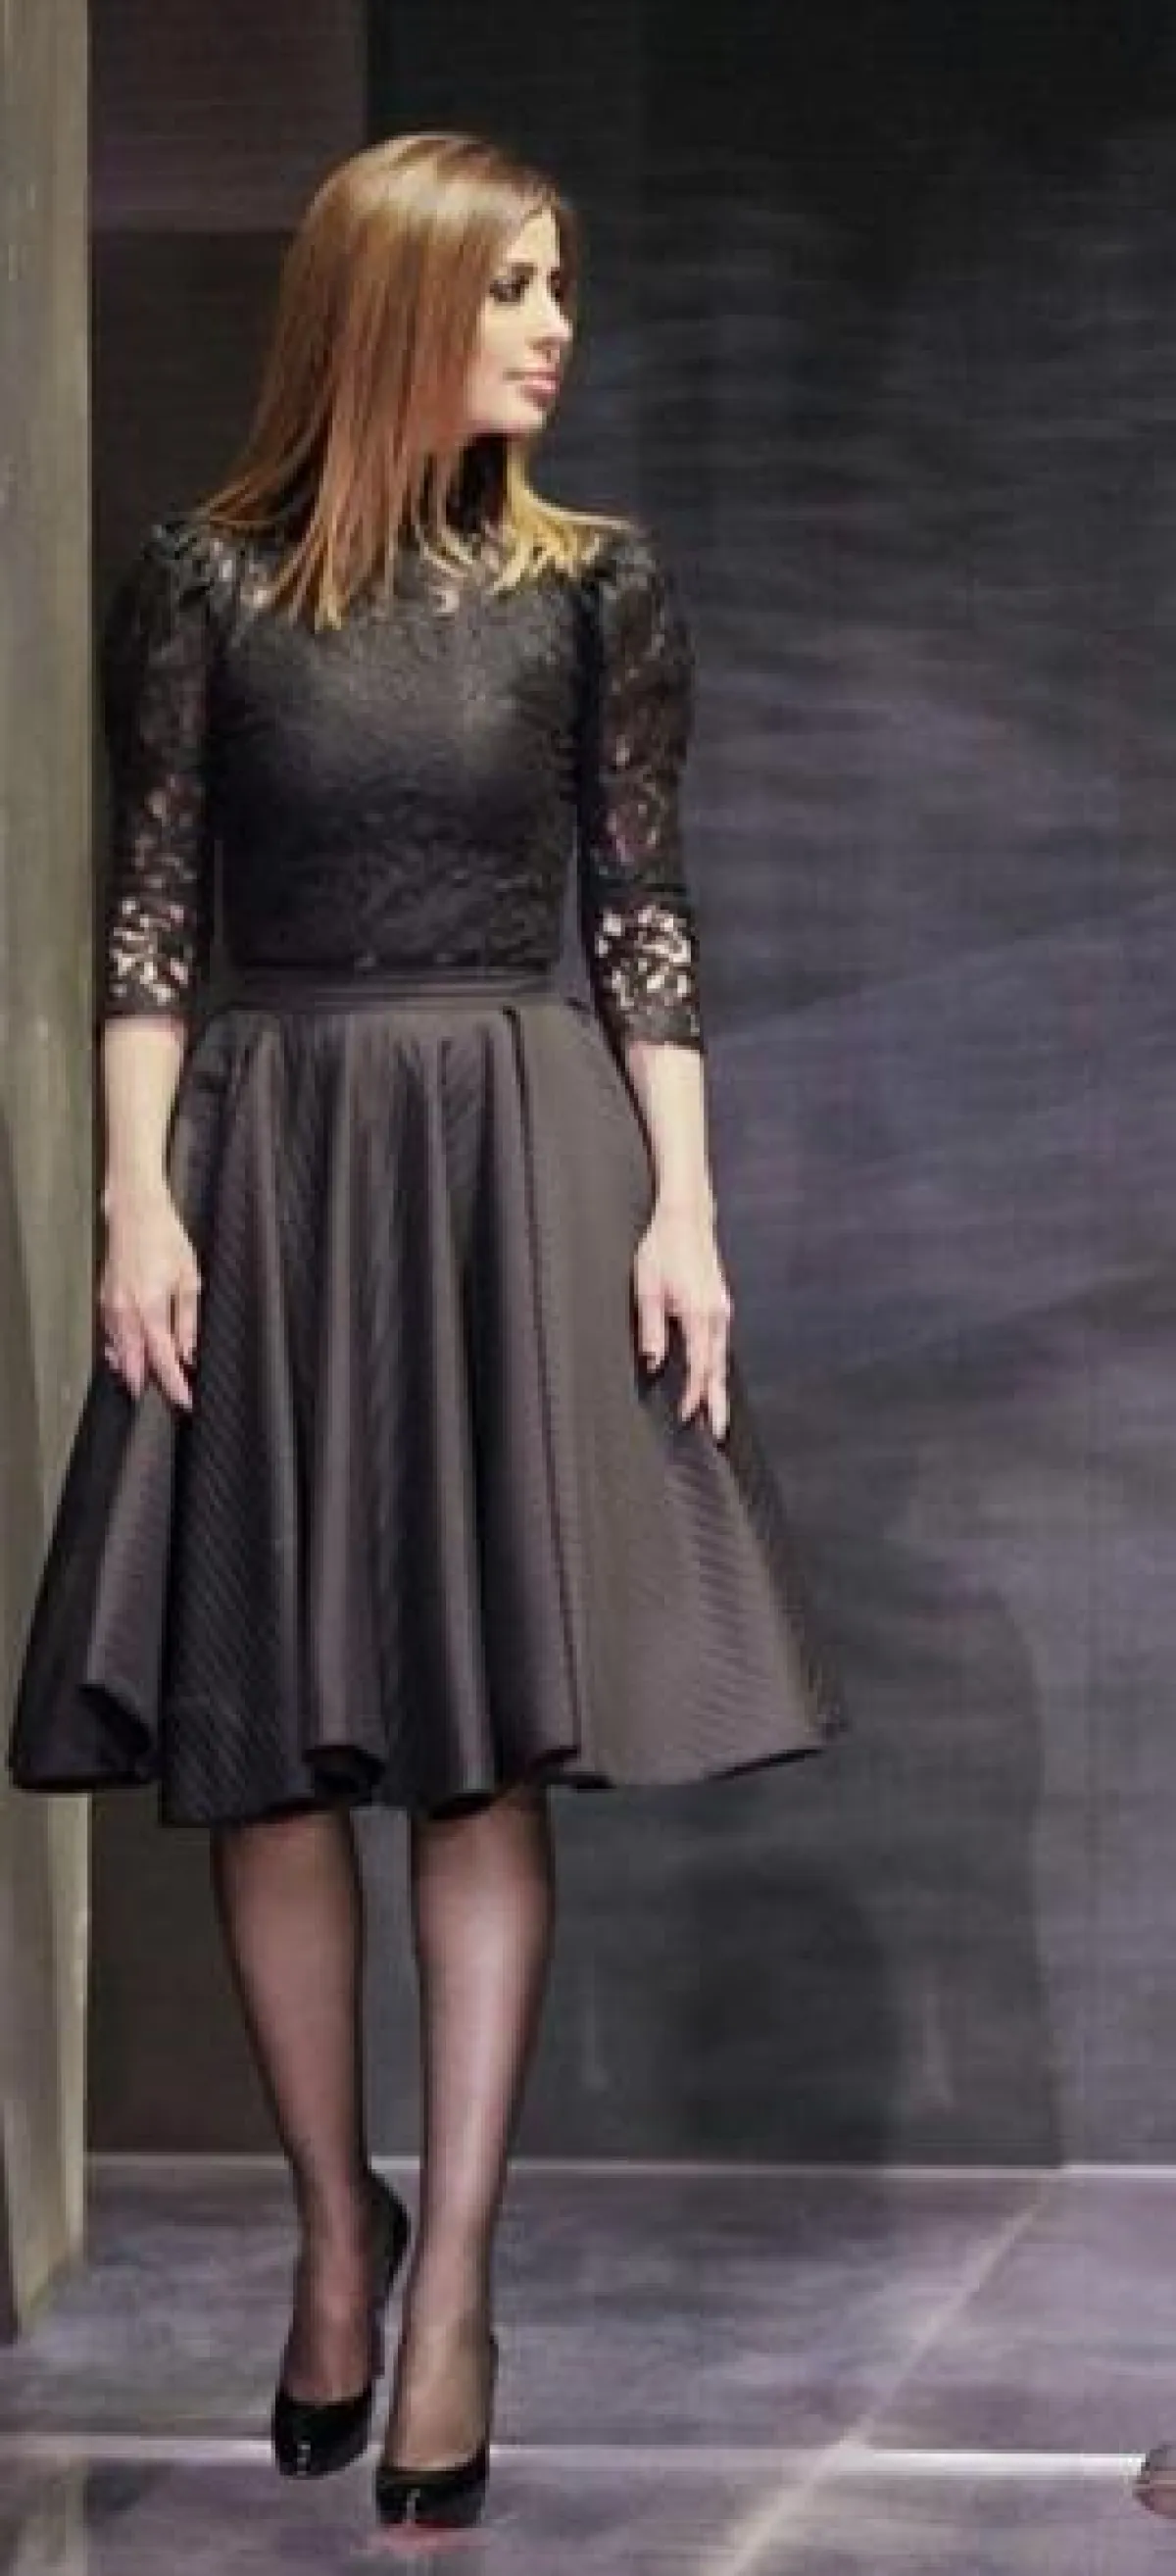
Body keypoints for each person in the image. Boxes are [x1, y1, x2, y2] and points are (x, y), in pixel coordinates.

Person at [7, 130, 838, 2531]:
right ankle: (333, 2242)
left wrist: (687, 1214)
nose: (557, 328)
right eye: (515, 289)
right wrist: (131, 1201)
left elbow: (644, 915)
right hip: (272, 1165)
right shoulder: (206, 583)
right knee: (268, 1749)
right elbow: (150, 917)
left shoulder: (595, 586)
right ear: (398, 306)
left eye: (561, 285)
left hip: (510, 1164)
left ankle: (457, 2282)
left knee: (479, 1756)